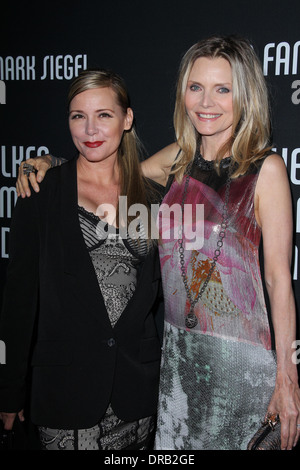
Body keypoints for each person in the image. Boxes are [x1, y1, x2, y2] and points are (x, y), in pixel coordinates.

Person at [13, 36, 300, 450]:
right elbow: (108, 174)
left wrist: (286, 380)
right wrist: (52, 166)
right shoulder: (179, 161)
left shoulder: (265, 169)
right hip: (177, 370)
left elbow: (278, 281)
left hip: (240, 372)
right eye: (196, 87)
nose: (207, 101)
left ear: (246, 95)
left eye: (223, 89)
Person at [0, 69, 164, 450]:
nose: (89, 128)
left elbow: (193, 146)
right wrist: (9, 389)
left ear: (127, 119)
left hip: (135, 391)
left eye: (104, 115)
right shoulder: (41, 192)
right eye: (78, 116)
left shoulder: (151, 196)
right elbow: (19, 301)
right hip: (65, 392)